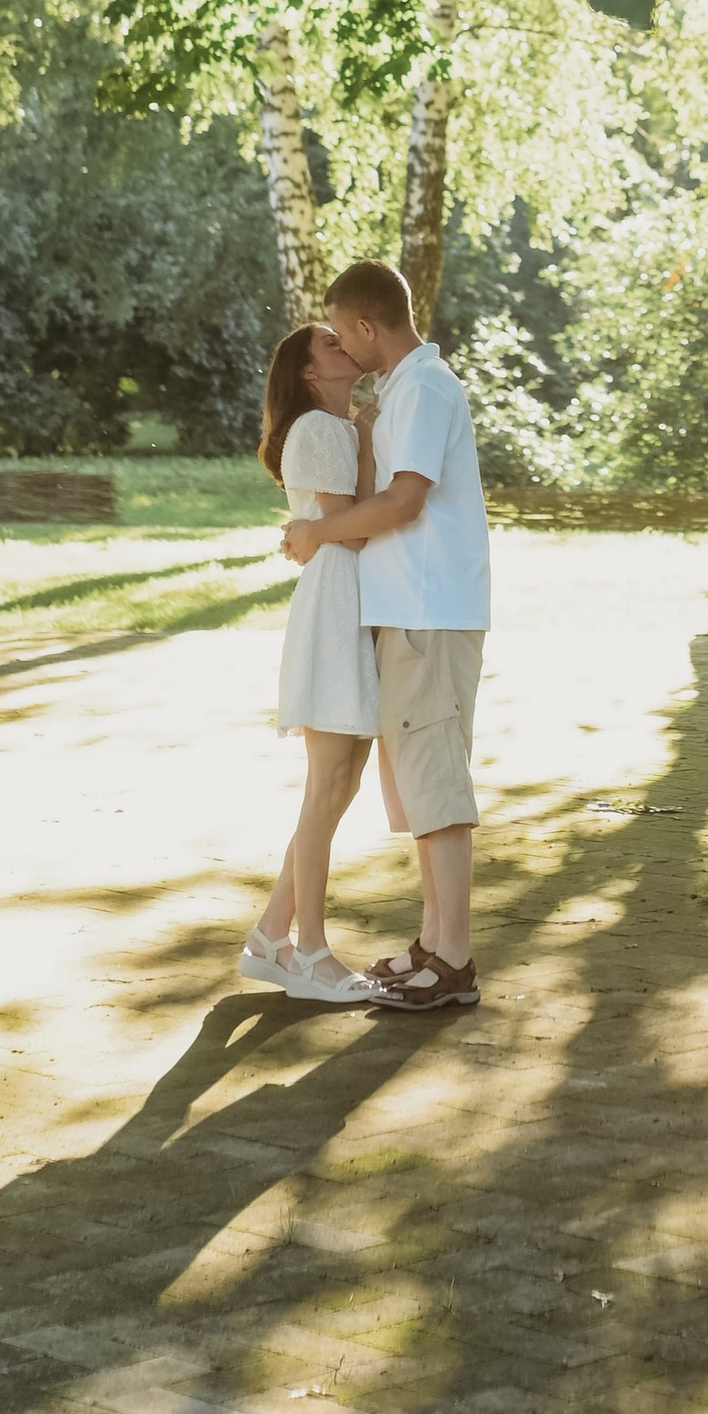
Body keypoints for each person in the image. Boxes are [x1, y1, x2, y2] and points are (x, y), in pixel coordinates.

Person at [282, 257, 491, 1013]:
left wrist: (316, 532)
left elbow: (405, 503)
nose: (341, 344)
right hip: (407, 611)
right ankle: (433, 946)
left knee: (437, 786)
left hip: (430, 611)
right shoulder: (400, 391)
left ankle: (453, 962)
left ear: (368, 326)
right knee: (418, 790)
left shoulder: (426, 388)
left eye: (343, 332)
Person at [239, 324, 383, 1008]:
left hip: (351, 599)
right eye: (329, 345)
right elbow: (352, 531)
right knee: (329, 784)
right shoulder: (320, 430)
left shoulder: (338, 426)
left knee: (340, 783)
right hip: (336, 605)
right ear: (307, 373)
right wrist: (367, 442)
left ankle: (272, 934)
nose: (343, 346)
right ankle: (312, 952)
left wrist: (365, 431)